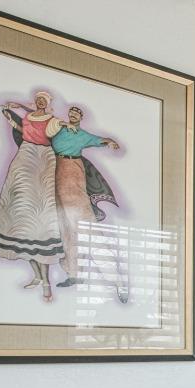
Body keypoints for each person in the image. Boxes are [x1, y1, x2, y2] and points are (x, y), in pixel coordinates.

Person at [0, 92, 63, 301]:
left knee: (40, 218)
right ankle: (37, 277)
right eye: (38, 99)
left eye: (44, 100)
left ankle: (46, 282)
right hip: (25, 155)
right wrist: (10, 115)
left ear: (48, 104)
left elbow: (50, 131)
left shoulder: (53, 121)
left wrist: (21, 108)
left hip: (42, 158)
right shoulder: (29, 118)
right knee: (21, 216)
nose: (41, 102)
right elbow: (23, 129)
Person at [49, 105, 121, 289]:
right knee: (65, 226)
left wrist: (110, 142)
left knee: (84, 224)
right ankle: (74, 273)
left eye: (77, 113)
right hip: (56, 168)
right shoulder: (60, 128)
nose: (73, 115)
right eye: (71, 112)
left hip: (71, 171)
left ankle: (113, 277)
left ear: (81, 117)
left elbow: (101, 140)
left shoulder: (82, 135)